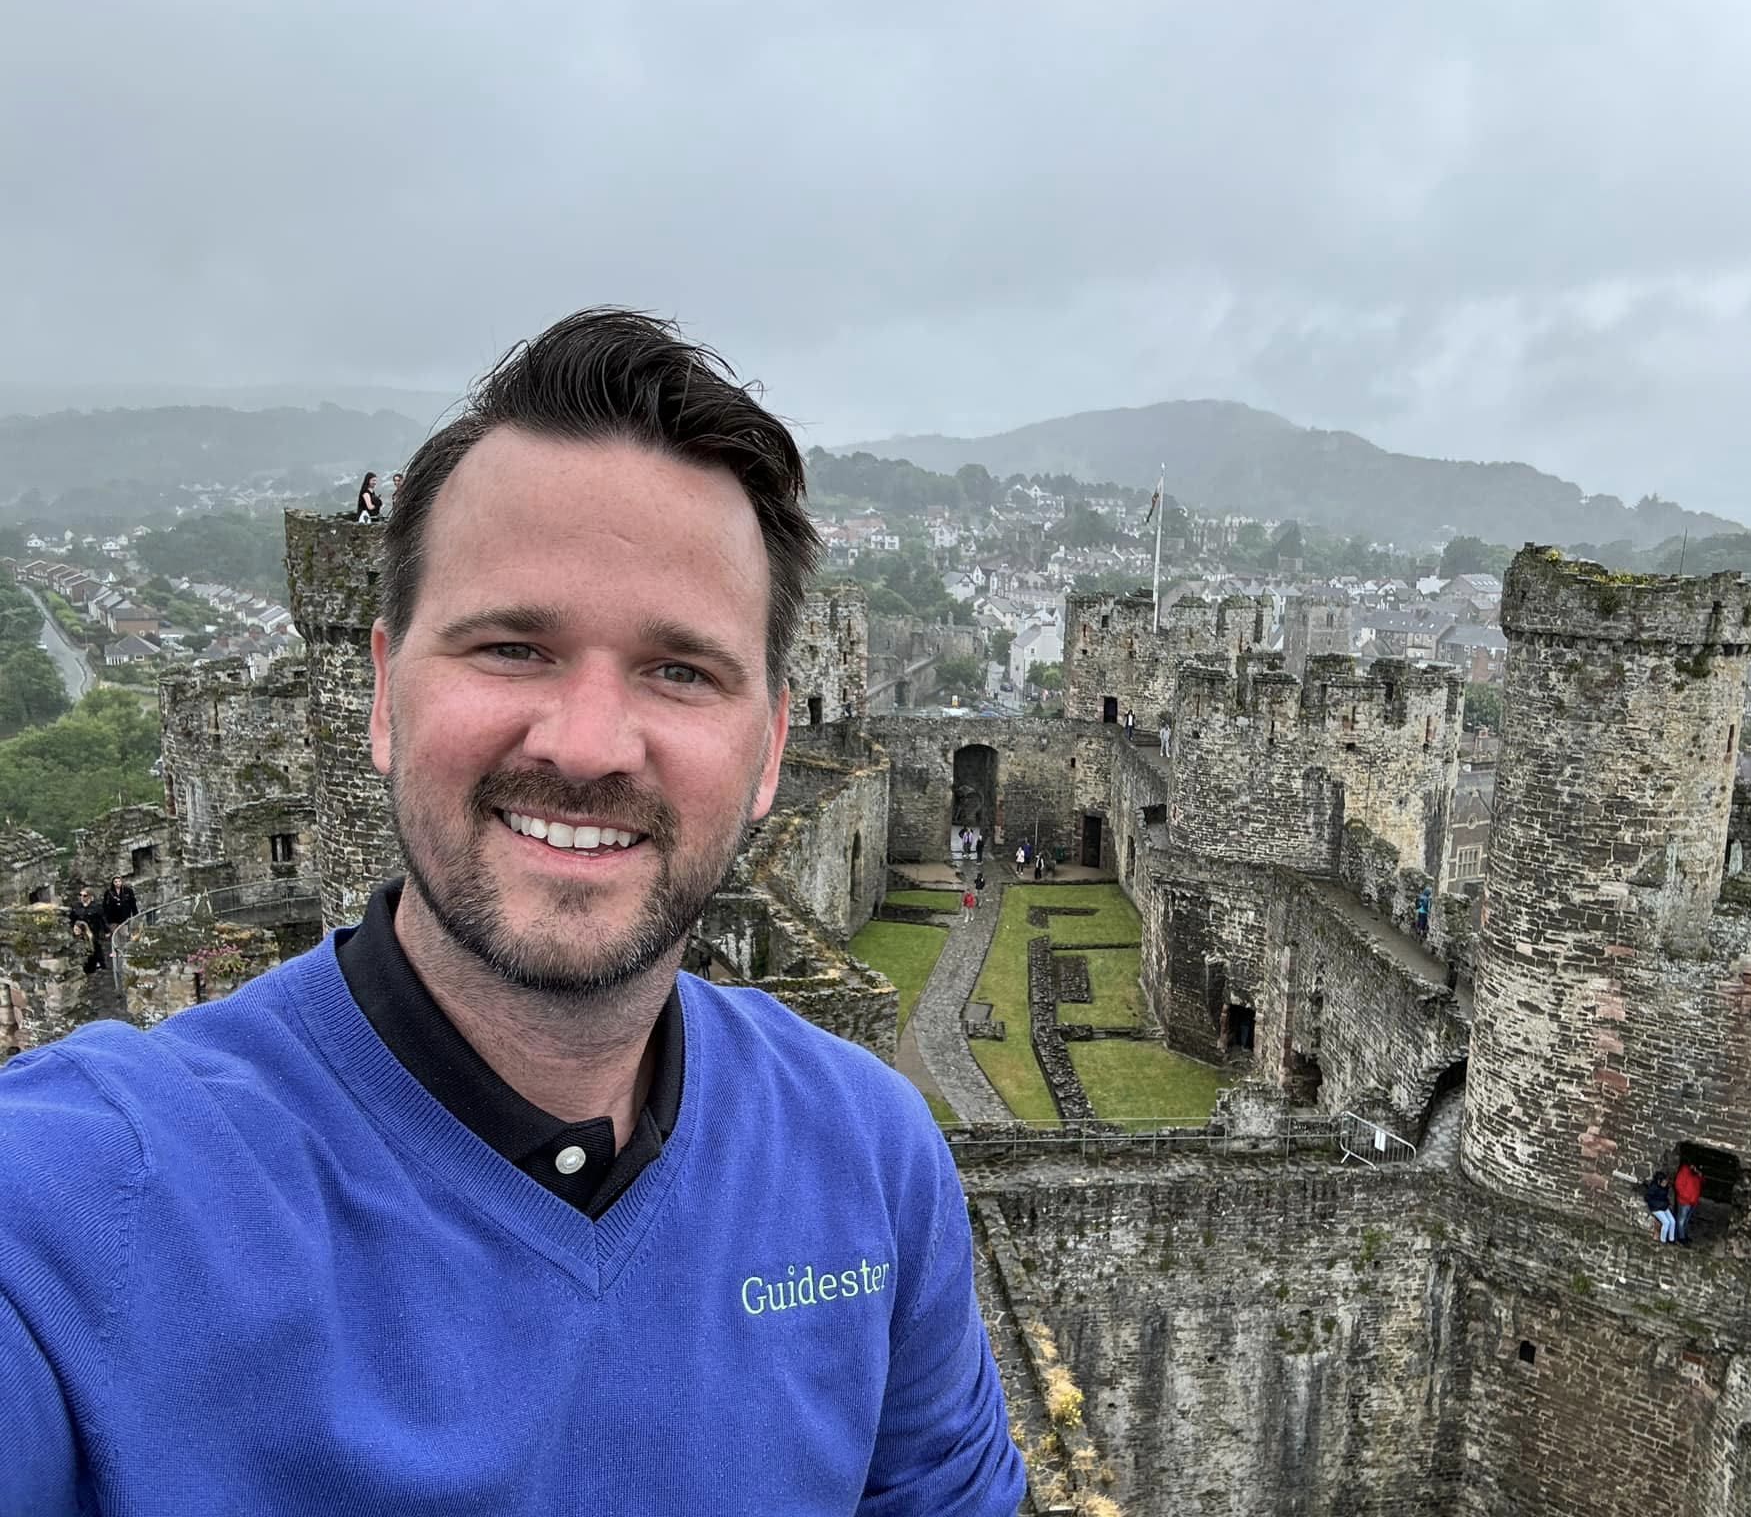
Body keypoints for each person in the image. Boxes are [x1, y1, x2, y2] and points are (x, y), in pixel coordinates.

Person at [0, 308, 1023, 1513]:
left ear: (768, 751)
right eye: (510, 647)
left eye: (680, 669)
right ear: (381, 694)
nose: (586, 746)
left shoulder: (874, 1156)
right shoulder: (71, 1207)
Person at [64, 883, 106, 975]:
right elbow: (72, 918)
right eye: (81, 895)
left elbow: (102, 919)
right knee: (83, 949)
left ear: (90, 896)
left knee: (95, 948)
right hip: (81, 931)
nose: (82, 897)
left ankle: (99, 966)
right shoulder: (76, 907)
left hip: (93, 930)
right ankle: (86, 968)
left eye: (85, 895)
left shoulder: (97, 907)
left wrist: (106, 931)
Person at [1672, 1159, 1702, 1245]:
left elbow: (1701, 1183)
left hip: (1693, 1202)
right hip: (1685, 1202)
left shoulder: (1695, 1175)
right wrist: (1688, 1198)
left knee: (1686, 1220)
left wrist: (1700, 1176)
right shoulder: (1684, 1172)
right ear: (1691, 1166)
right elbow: (1678, 1186)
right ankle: (1681, 1238)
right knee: (1681, 1220)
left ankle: (1683, 1235)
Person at [1644, 1171, 1676, 1243]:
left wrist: (1666, 1203)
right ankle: (1663, 1240)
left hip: (1663, 1206)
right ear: (1659, 1181)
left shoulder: (1665, 1187)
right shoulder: (1653, 1187)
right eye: (1663, 1182)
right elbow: (1648, 1198)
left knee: (1673, 1221)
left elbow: (1664, 1197)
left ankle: (1671, 1239)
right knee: (1666, 1222)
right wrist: (1659, 1204)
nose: (1665, 1184)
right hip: (1656, 1208)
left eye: (1666, 1182)